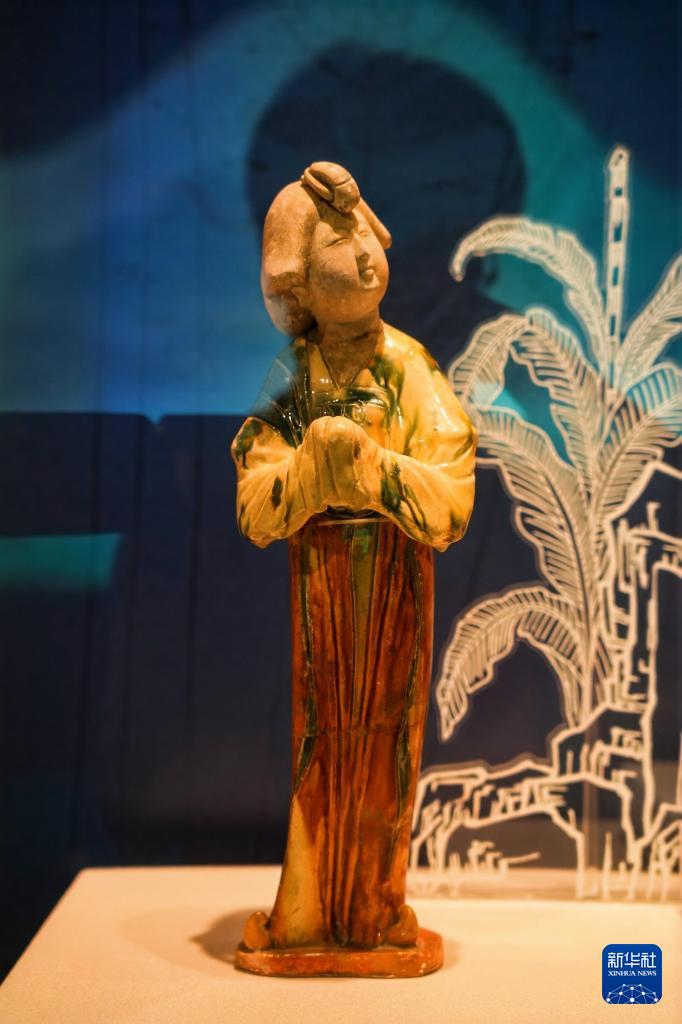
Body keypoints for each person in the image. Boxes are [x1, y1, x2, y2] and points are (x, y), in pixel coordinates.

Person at [231, 162, 476, 964]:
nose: (366, 254)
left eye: (366, 233)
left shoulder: (408, 366)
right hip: (323, 587)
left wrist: (373, 471)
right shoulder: (295, 376)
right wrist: (309, 473)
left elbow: (453, 494)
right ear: (298, 281)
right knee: (321, 745)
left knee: (387, 747)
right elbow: (254, 498)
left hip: (395, 584)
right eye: (340, 244)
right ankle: (308, 918)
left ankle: (372, 911)